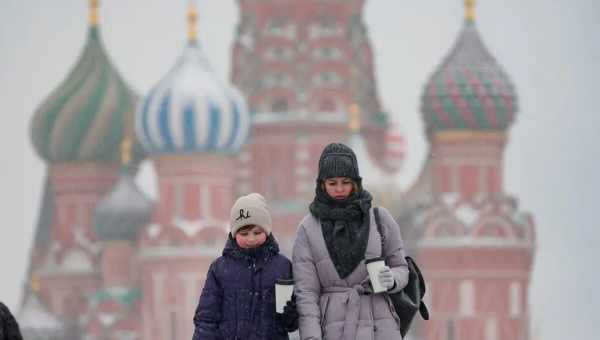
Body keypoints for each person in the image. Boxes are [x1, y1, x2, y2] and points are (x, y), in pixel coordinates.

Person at [292, 143, 409, 340]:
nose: (339, 189)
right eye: (332, 183)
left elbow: (401, 267)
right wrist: (311, 337)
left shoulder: (380, 219)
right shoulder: (308, 228)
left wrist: (392, 278)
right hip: (333, 328)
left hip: (380, 326)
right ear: (322, 184)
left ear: (356, 182)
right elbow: (306, 294)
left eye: (346, 182)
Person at [192, 193, 299, 340]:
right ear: (234, 234)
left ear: (267, 232)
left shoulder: (282, 266)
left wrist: (290, 312)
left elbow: (291, 324)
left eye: (257, 232)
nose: (251, 238)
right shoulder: (220, 269)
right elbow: (207, 318)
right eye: (244, 233)